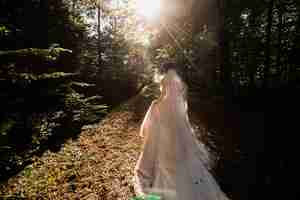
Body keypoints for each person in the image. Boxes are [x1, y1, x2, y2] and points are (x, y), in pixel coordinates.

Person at [133, 66, 229, 200]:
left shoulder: (159, 101)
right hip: (179, 135)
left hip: (166, 141)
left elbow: (151, 127)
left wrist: (157, 104)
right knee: (185, 156)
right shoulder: (179, 100)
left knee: (165, 151)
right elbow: (185, 121)